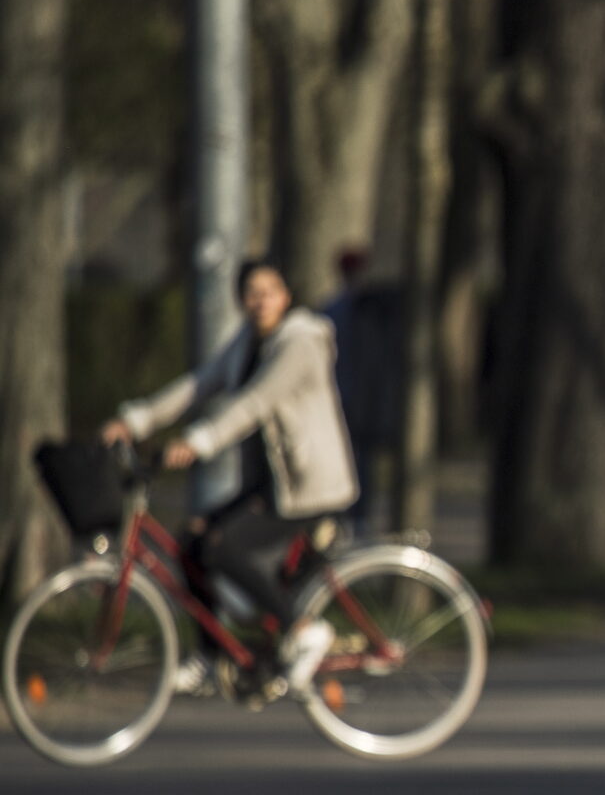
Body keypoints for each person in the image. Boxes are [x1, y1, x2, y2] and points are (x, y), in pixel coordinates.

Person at [99, 257, 359, 698]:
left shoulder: (301, 342)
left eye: (269, 292)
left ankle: (304, 630)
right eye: (252, 293)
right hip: (273, 486)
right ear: (242, 300)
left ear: (286, 296)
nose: (260, 302)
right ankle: (211, 657)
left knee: (224, 548)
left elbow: (255, 402)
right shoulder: (247, 342)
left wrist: (198, 442)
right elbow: (199, 385)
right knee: (194, 543)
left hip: (310, 488)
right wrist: (138, 420)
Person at [320, 248, 401, 536]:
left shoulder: (370, 309)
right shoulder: (336, 310)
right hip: (344, 398)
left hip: (362, 401)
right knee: (347, 462)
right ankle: (346, 519)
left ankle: (358, 519)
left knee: (361, 464)